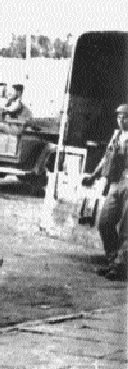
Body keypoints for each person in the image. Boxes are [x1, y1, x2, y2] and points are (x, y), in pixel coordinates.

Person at [82, 103, 128, 281]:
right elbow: (106, 158)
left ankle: (120, 266)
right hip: (115, 184)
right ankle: (113, 261)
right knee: (105, 223)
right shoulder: (116, 135)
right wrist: (93, 176)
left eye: (125, 117)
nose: (121, 120)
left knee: (126, 229)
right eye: (119, 117)